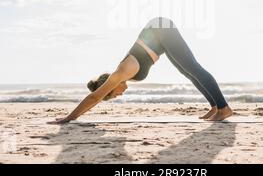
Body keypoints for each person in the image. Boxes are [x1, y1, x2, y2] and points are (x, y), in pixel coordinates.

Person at [48, 17, 233, 124]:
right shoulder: (124, 76)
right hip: (160, 39)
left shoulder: (121, 72)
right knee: (187, 72)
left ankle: (224, 108)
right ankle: (215, 106)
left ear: (111, 85)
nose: (119, 96)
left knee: (193, 67)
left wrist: (69, 117)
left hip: (161, 29)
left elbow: (95, 97)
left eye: (113, 95)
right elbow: (97, 98)